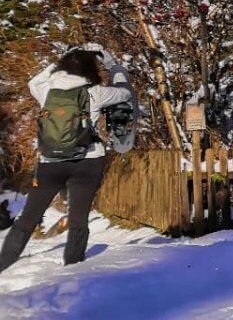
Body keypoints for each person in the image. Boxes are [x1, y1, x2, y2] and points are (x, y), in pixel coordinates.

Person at [0, 46, 134, 273]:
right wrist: (114, 68)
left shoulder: (46, 89)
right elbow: (125, 93)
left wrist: (58, 62)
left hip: (50, 164)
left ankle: (3, 265)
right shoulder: (95, 92)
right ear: (90, 69)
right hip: (88, 161)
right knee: (78, 219)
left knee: (28, 218)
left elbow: (33, 82)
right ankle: (73, 269)